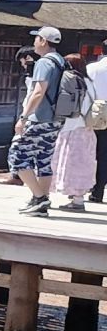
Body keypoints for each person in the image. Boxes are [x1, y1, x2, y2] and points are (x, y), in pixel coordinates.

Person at [11, 26, 67, 216]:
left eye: (37, 38)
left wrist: (23, 118)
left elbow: (38, 91)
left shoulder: (44, 63)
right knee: (43, 160)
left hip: (40, 118)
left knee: (17, 156)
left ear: (43, 41)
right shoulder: (61, 61)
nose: (34, 42)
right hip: (55, 119)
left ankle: (39, 198)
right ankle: (41, 201)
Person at [51, 53, 97, 212]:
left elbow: (64, 106)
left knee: (67, 163)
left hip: (71, 128)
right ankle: (78, 199)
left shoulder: (70, 82)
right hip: (87, 129)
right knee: (83, 165)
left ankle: (49, 195)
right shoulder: (89, 82)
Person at [0, 48, 39, 185]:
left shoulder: (38, 74)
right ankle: (18, 175)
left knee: (18, 145)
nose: (22, 65)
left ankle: (18, 175)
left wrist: (24, 117)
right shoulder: (33, 75)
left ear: (27, 58)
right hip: (31, 114)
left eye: (22, 61)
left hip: (32, 116)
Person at [89, 43, 107, 204]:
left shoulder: (92, 68)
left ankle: (92, 188)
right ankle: (99, 190)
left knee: (91, 152)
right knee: (104, 155)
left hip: (96, 113)